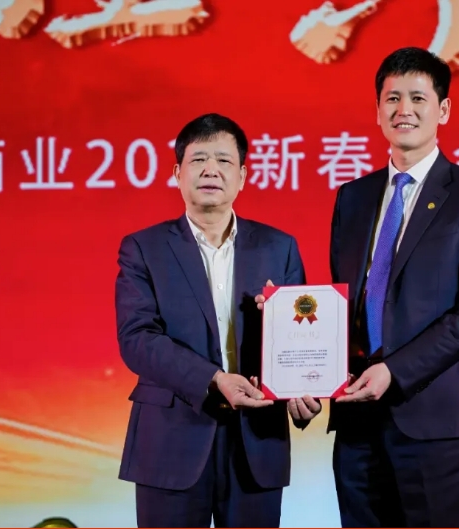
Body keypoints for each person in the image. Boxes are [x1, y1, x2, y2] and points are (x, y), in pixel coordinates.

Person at [114, 113, 322, 528]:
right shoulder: (143, 248)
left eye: (224, 160)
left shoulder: (279, 247)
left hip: (256, 440)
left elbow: (299, 339)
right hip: (170, 438)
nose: (211, 169)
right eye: (199, 159)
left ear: (242, 176)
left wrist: (304, 393)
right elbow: (137, 340)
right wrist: (213, 379)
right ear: (177, 173)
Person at [329, 47, 459, 527]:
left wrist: (395, 370)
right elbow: (344, 304)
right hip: (357, 418)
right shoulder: (353, 197)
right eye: (392, 98)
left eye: (417, 98)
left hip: (434, 415)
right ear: (377, 111)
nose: (403, 109)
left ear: (443, 110)